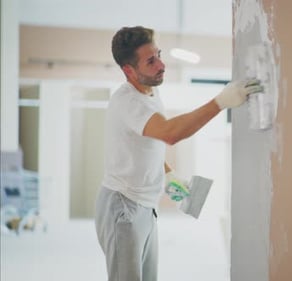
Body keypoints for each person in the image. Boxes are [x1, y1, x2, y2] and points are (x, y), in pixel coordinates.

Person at [94, 26, 262, 281]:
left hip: (146, 207)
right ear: (128, 70)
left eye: (159, 55)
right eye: (151, 61)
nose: (162, 64)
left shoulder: (151, 92)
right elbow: (170, 133)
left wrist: (170, 178)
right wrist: (220, 102)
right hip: (123, 206)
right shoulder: (127, 101)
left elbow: (146, 147)